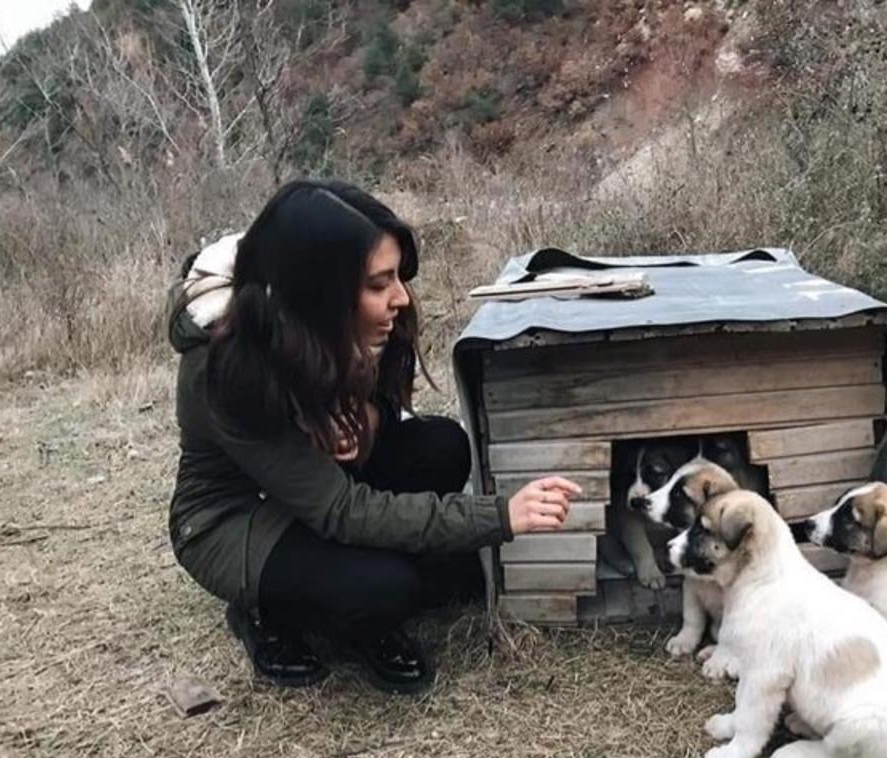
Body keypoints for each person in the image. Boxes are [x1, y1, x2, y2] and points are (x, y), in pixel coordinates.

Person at [166, 178, 580, 693]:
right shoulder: (224, 365)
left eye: (398, 278)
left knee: (442, 447)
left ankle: (344, 590)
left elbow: (383, 410)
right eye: (378, 284)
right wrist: (499, 516)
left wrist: (366, 418)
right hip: (235, 517)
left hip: (312, 486)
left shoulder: (328, 321)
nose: (401, 299)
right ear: (320, 288)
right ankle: (271, 613)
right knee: (387, 587)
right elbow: (342, 510)